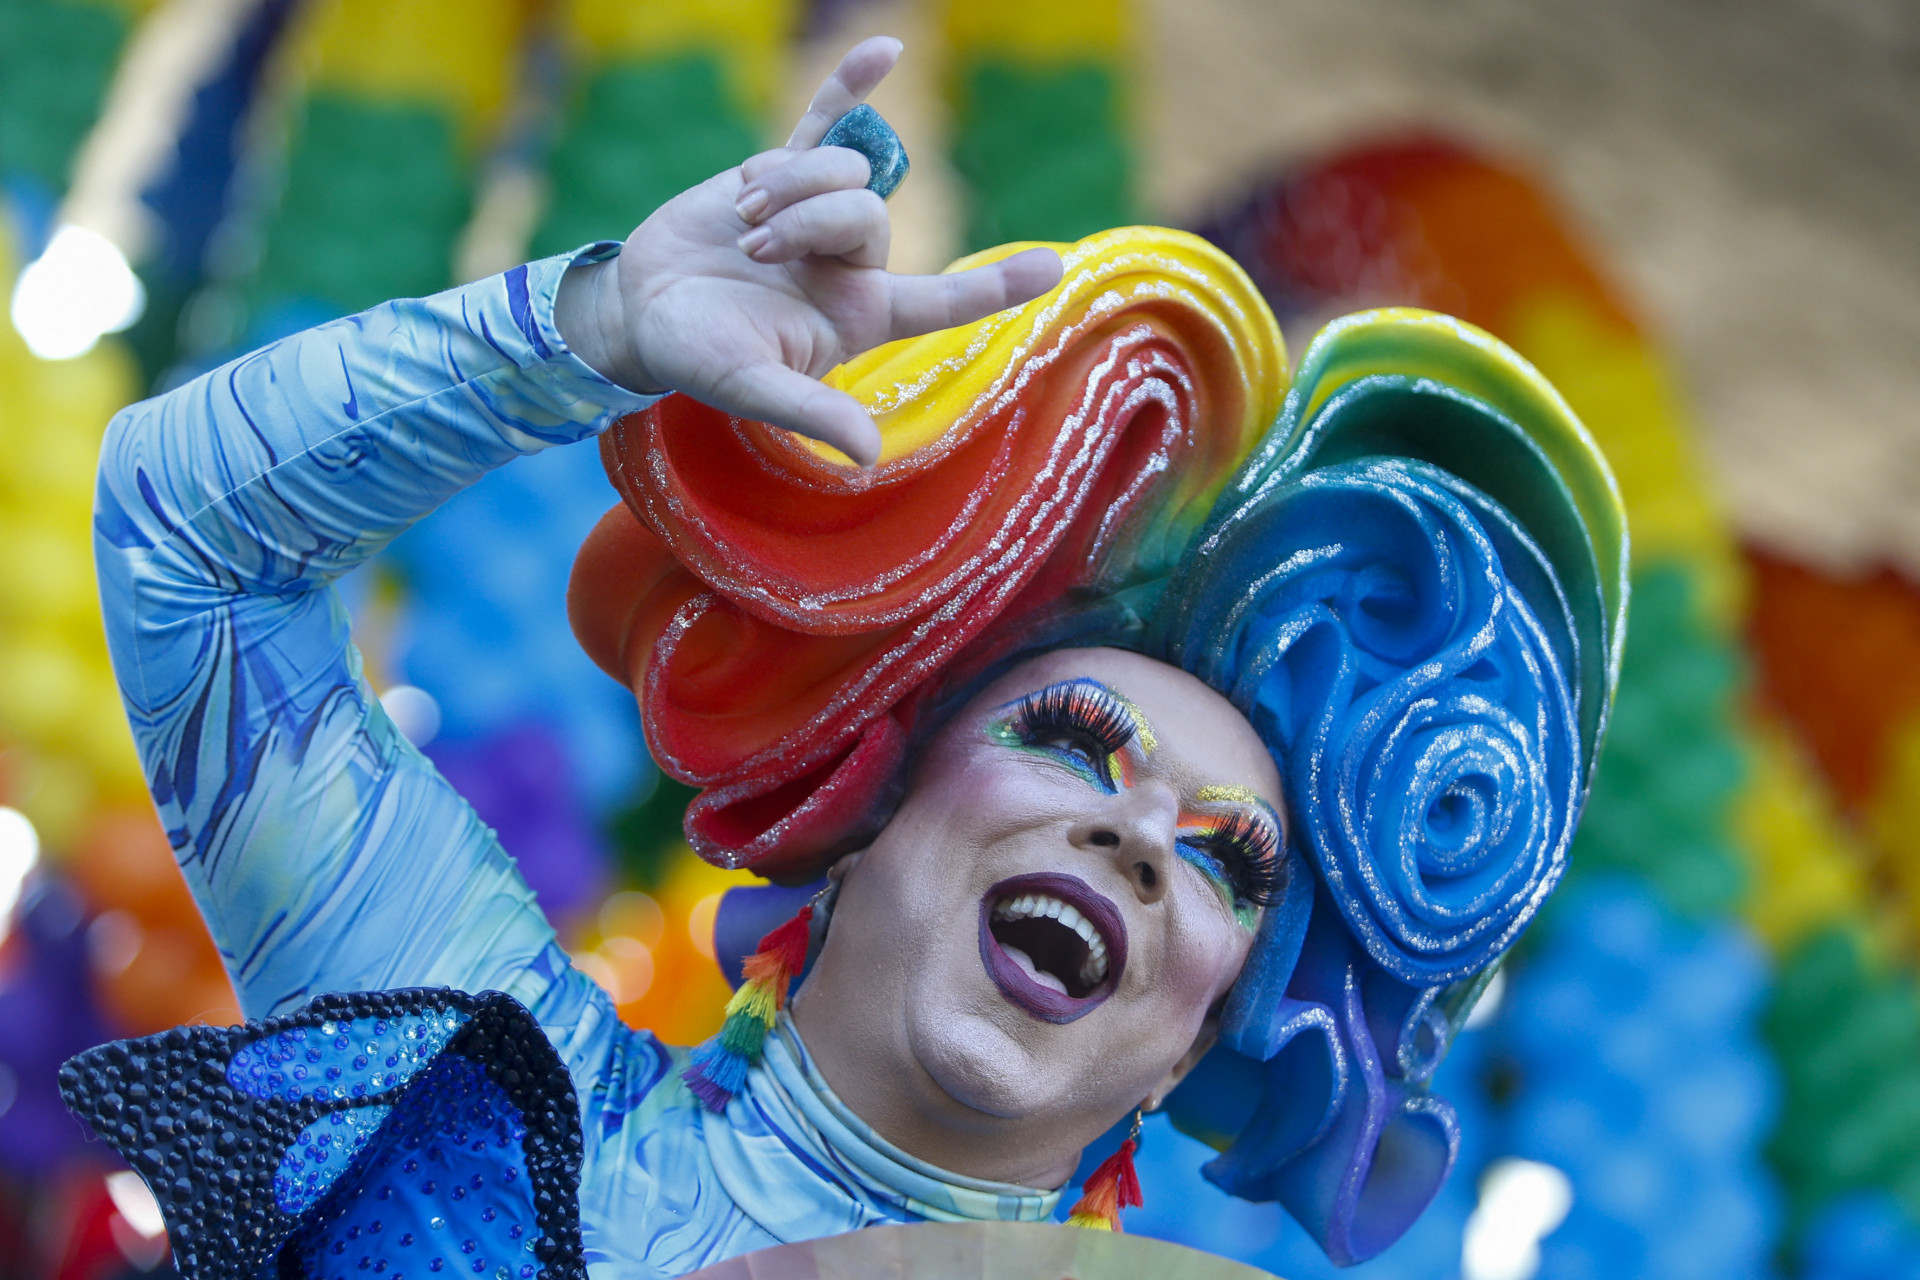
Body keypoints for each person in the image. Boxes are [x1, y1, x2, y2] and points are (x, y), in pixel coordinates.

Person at [62, 37, 1627, 1280]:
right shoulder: (485, 1118)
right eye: (1078, 743)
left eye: (1232, 866)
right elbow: (185, 544)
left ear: (1216, 1026)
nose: (1143, 838)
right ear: (869, 798)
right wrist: (589, 329)